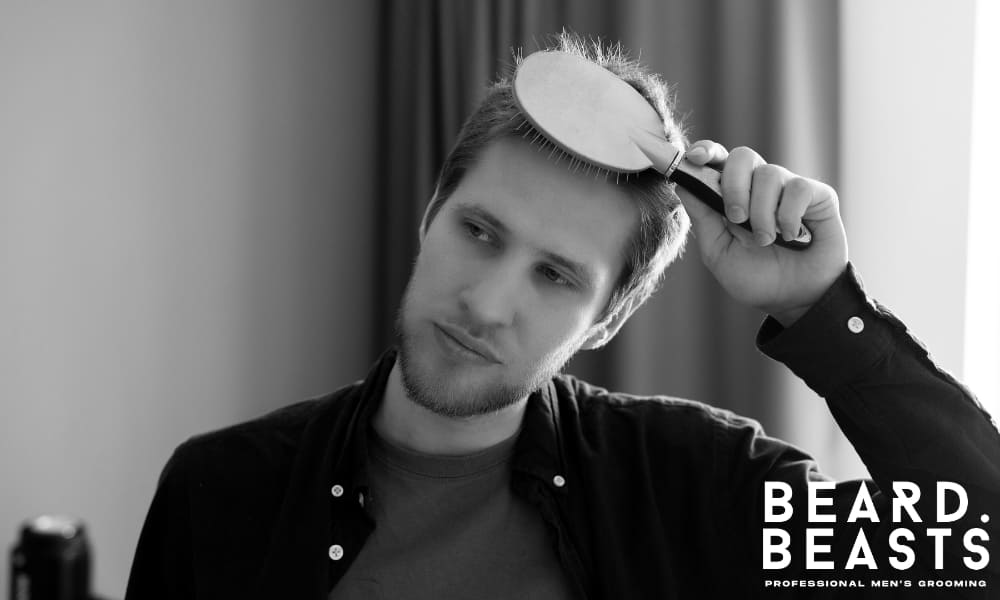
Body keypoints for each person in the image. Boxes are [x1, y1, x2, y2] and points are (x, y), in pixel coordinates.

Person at [124, 33, 1000, 599]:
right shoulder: (221, 493)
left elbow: (977, 546)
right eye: (479, 232)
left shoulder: (699, 492)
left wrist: (819, 309)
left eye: (555, 276)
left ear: (607, 320)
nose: (489, 301)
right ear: (432, 216)